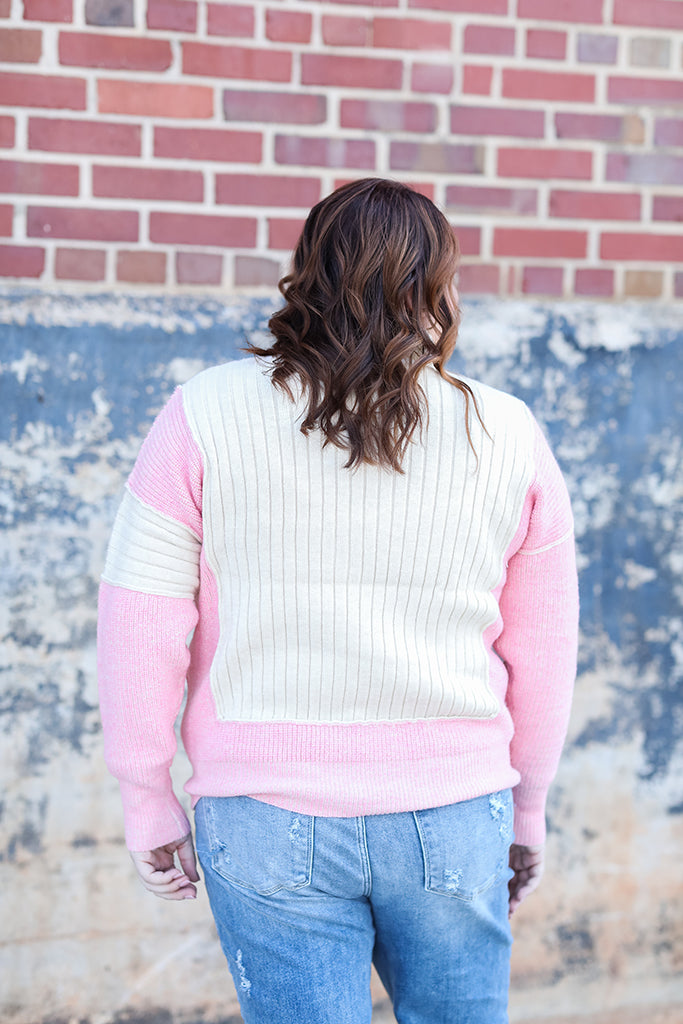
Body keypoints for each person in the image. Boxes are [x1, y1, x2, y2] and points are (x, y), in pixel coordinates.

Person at [98, 177, 578, 1024]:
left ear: (307, 272)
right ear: (437, 286)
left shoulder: (202, 414)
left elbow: (139, 615)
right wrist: (528, 805)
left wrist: (147, 793)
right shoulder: (507, 433)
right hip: (454, 809)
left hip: (261, 812)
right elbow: (541, 649)